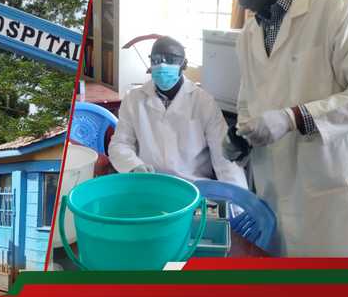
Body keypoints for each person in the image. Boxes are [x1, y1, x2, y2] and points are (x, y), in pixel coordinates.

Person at [216, 0, 348, 256]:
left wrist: (294, 117)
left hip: (330, 198)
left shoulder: (338, 10)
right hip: (273, 198)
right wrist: (240, 138)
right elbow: (250, 104)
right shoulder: (250, 34)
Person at [106, 36, 248, 188]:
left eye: (170, 59)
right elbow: (120, 144)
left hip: (192, 187)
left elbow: (224, 157)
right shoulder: (133, 99)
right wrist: (134, 166)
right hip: (148, 183)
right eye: (156, 60)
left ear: (184, 64)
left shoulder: (204, 102)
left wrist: (239, 201)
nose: (161, 65)